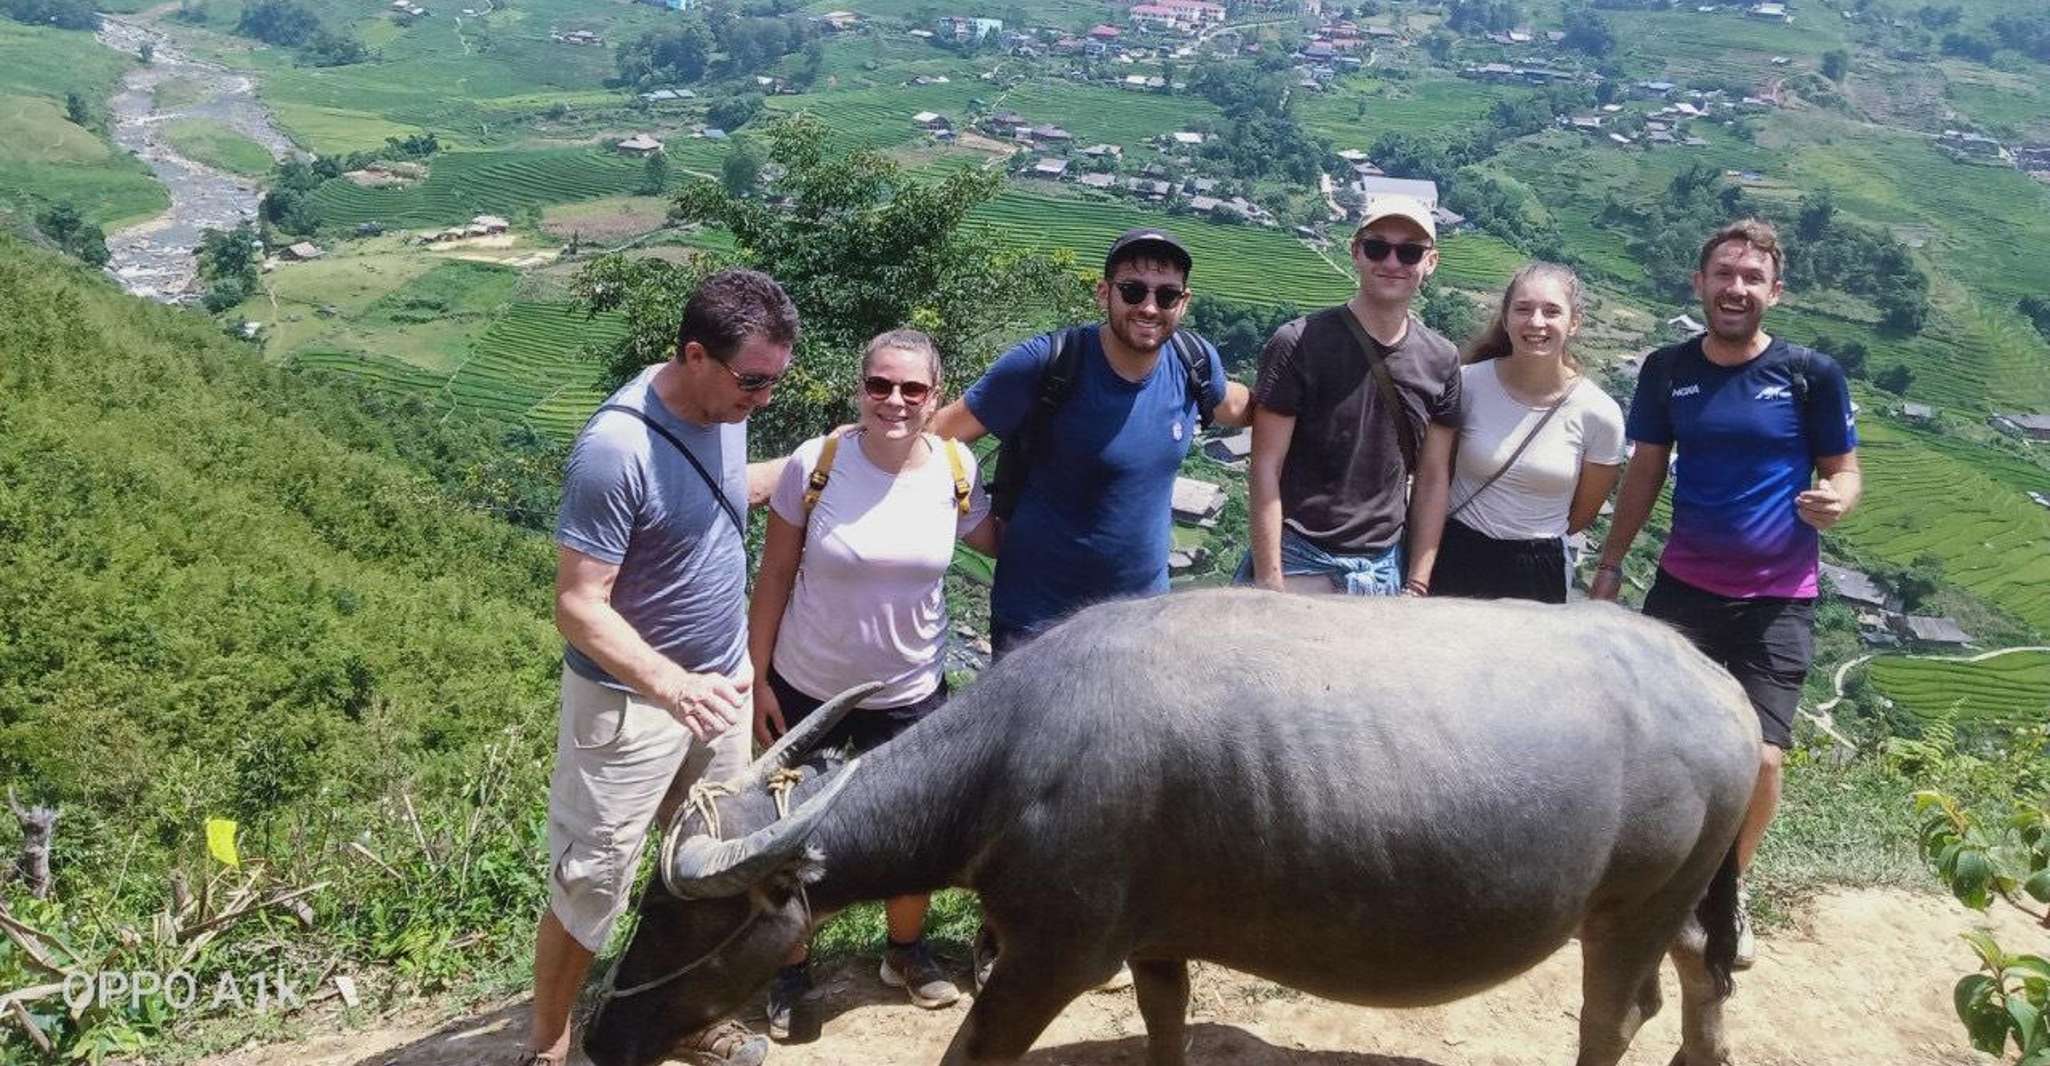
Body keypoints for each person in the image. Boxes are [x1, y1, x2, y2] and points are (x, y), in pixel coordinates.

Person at [515, 268, 801, 1066]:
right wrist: (671, 685)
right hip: (632, 705)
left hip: (715, 694)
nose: (764, 399)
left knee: (708, 874)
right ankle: (550, 1046)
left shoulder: (725, 408)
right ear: (694, 355)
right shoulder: (616, 450)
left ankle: (679, 1020)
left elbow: (713, 494)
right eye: (753, 381)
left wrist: (818, 461)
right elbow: (578, 603)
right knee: (590, 882)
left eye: (775, 381)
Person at [1590, 218, 1862, 968]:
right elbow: (1645, 469)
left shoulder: (1811, 374)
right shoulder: (1667, 369)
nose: (1736, 288)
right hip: (1683, 589)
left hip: (1778, 598)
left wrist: (1838, 499)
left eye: (1752, 277)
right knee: (1658, 750)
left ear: (1776, 291)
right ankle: (1651, 880)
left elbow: (1845, 468)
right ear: (1699, 283)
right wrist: (1612, 563)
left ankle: (1726, 887)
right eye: (1724, 274)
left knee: (1764, 760)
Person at [747, 329, 997, 1037]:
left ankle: (905, 954)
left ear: (935, 397)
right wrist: (756, 677)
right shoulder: (816, 463)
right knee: (789, 835)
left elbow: (993, 535)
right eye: (879, 385)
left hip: (910, 688)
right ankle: (791, 971)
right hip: (805, 687)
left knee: (913, 834)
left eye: (912, 389)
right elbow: (772, 575)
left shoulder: (956, 467)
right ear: (859, 390)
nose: (894, 400)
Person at [928, 228, 1252, 655]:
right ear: (1104, 293)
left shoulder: (1192, 363)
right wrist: (974, 526)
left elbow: (1237, 405)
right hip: (1038, 621)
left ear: (1184, 302)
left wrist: (1315, 402)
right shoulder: (1047, 364)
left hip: (1140, 621)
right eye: (1133, 291)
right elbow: (935, 437)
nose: (1150, 308)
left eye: (1167, 296)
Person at [1243, 195, 1462, 597]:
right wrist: (1270, 583)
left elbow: (1432, 478)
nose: (1393, 263)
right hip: (1300, 558)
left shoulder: (1442, 360)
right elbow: (1264, 466)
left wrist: (1416, 584)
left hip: (1383, 570)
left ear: (1430, 262)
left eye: (1409, 253)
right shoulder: (1299, 342)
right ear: (1356, 252)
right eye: (1378, 247)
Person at [1410, 262, 1624, 603]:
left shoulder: (1599, 414)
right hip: (1458, 553)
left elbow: (1581, 514)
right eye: (1523, 309)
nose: (1536, 322)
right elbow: (1436, 474)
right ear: (1506, 318)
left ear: (1574, 322)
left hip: (1538, 570)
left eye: (1552, 311)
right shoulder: (1466, 384)